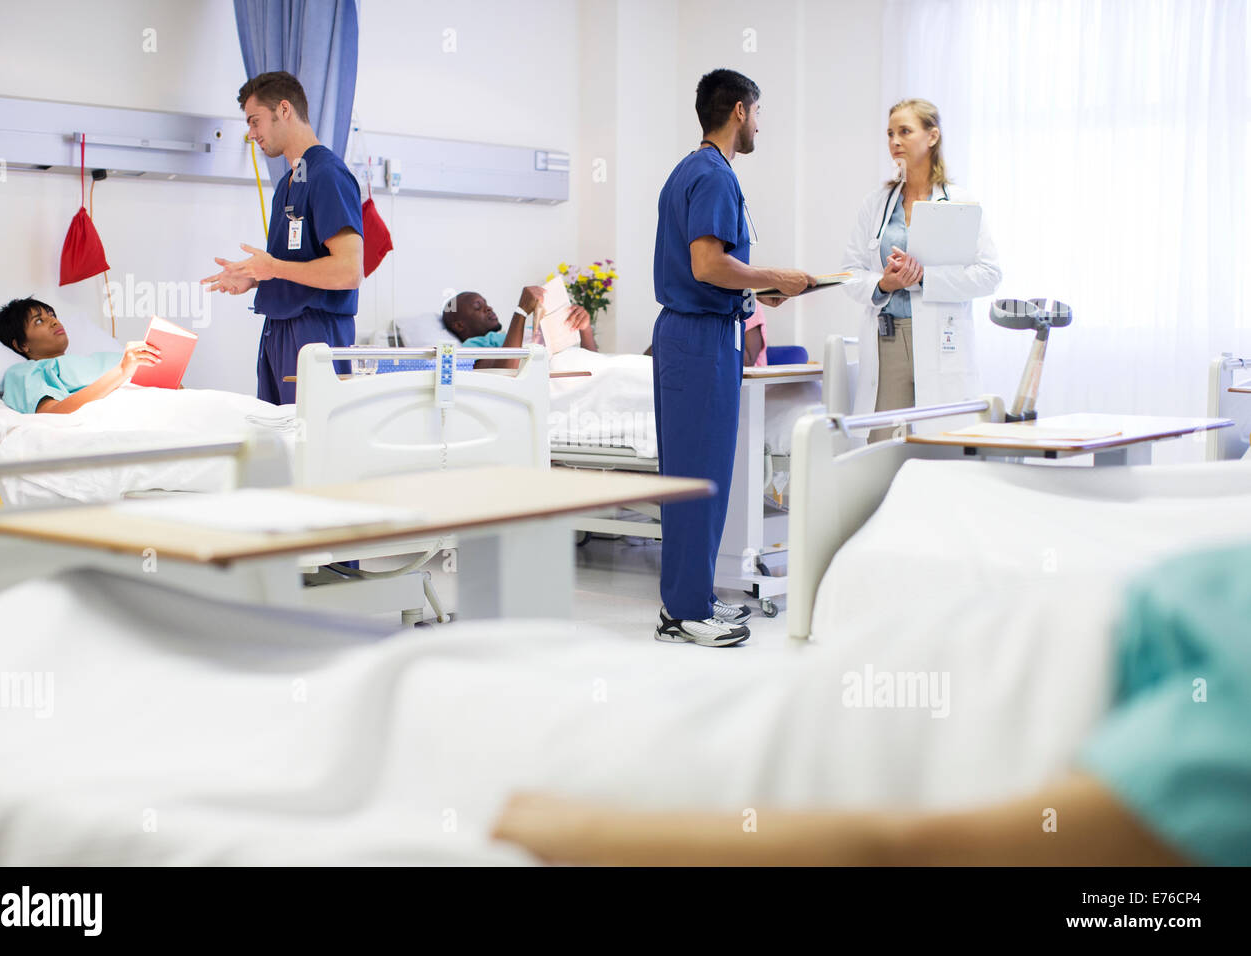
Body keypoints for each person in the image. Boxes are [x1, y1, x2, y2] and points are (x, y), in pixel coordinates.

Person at [492, 542, 1251, 866]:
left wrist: (582, 830)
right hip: (931, 670)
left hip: (933, 718)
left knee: (482, 709)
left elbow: (909, 850)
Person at [650, 68, 815, 647]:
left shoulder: (693, 171)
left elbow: (717, 269)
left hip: (703, 329)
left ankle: (693, 599)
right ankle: (682, 611)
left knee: (705, 475)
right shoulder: (714, 175)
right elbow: (705, 265)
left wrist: (755, 290)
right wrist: (777, 275)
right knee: (696, 476)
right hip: (698, 337)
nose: (759, 128)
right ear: (741, 110)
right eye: (759, 114)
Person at [840, 98, 1001, 441]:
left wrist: (925, 277)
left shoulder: (960, 202)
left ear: (932, 137)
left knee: (941, 445)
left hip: (941, 338)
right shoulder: (876, 204)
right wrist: (883, 283)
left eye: (904, 131)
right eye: (889, 133)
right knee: (881, 448)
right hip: (887, 340)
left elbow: (989, 274)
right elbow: (850, 271)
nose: (894, 141)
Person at [201, 71, 364, 405]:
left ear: (285, 110)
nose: (251, 134)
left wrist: (273, 268)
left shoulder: (327, 175)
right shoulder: (289, 183)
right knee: (279, 439)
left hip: (316, 333)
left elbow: (349, 271)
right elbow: (300, 267)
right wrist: (257, 278)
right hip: (280, 330)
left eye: (255, 121)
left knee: (313, 442)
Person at [0, 297, 160, 414]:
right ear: (21, 345)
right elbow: (52, 414)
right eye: (39, 321)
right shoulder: (26, 372)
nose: (54, 321)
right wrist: (122, 371)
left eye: (52, 315)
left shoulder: (108, 358)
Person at [442, 286, 596, 370]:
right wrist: (521, 312)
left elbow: (592, 362)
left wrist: (584, 328)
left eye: (486, 303)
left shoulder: (527, 330)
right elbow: (505, 371)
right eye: (478, 307)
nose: (488, 308)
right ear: (460, 325)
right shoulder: (473, 346)